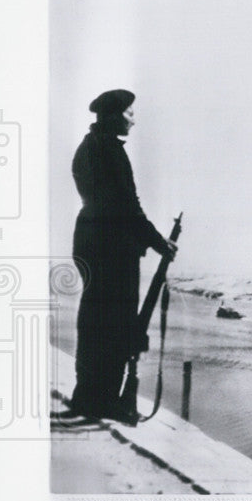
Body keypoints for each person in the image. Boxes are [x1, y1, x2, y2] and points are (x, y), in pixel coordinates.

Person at [62, 90, 176, 425]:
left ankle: (87, 397)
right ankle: (107, 402)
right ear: (113, 116)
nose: (133, 119)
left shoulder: (87, 147)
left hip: (89, 241)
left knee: (94, 323)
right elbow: (127, 205)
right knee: (116, 326)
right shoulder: (110, 150)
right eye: (129, 113)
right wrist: (158, 242)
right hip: (113, 247)